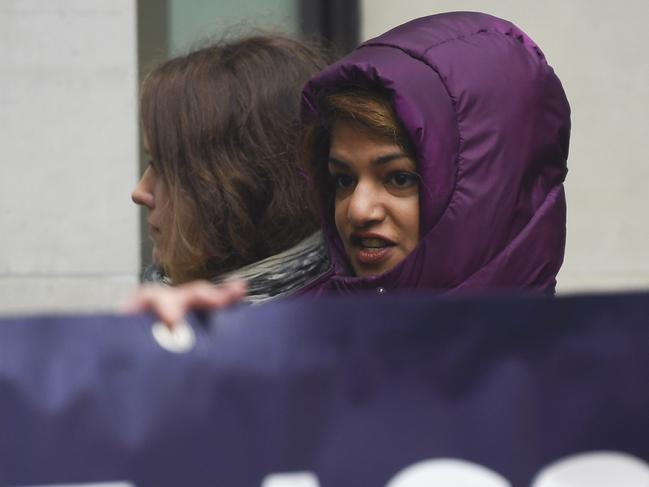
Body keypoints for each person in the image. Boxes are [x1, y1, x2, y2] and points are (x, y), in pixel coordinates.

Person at [128, 11, 570, 322]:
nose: (358, 210)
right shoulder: (295, 341)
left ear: (490, 194)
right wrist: (181, 361)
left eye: (398, 178)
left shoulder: (598, 372)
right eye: (342, 179)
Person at [126, 34, 333, 319]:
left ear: (243, 181)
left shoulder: (331, 330)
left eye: (165, 167)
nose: (139, 192)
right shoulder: (163, 306)